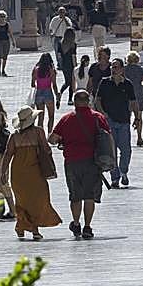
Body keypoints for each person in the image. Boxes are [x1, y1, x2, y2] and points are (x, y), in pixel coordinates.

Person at [49, 89, 110, 239]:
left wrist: (63, 140)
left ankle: (76, 223)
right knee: (89, 196)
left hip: (72, 161)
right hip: (92, 162)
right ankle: (87, 227)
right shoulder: (98, 118)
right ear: (88, 101)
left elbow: (52, 139)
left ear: (75, 102)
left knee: (75, 195)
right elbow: (107, 136)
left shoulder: (67, 119)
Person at [1, 106, 61, 240]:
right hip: (35, 173)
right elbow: (46, 149)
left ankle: (21, 226)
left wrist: (3, 172)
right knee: (38, 200)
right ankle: (34, 230)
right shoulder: (38, 132)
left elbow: (8, 154)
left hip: (18, 174)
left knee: (22, 202)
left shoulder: (14, 136)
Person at [95, 58, 138, 187]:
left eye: (116, 67)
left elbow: (133, 102)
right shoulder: (105, 82)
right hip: (109, 121)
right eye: (112, 67)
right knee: (111, 151)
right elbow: (98, 100)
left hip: (124, 120)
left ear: (122, 69)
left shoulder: (127, 84)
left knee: (126, 150)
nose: (113, 70)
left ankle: (123, 171)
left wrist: (137, 117)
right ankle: (115, 177)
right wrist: (103, 114)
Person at [124, 51, 143, 147]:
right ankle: (139, 137)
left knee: (126, 117)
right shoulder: (141, 69)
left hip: (126, 94)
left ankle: (126, 138)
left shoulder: (124, 69)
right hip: (138, 93)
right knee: (139, 116)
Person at [31, 53, 58, 134]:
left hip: (39, 93)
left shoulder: (36, 69)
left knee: (40, 117)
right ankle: (49, 134)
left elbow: (32, 84)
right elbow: (54, 85)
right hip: (48, 92)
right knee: (51, 116)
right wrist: (57, 95)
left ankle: (40, 136)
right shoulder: (51, 70)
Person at [56, 28, 78, 106]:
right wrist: (75, 66)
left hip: (64, 65)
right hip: (71, 65)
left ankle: (60, 93)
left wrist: (60, 64)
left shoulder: (60, 43)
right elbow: (73, 56)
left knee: (67, 81)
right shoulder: (73, 45)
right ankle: (69, 99)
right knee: (71, 82)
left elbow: (59, 56)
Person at [0, 10, 16, 76]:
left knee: (5, 57)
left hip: (6, 41)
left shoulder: (7, 24)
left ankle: (3, 70)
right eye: (0, 16)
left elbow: (10, 33)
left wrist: (13, 41)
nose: (2, 18)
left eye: (3, 16)